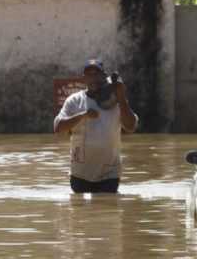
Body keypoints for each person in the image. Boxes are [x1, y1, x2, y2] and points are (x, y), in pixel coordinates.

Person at [53, 59, 138, 193]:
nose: (93, 78)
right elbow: (58, 128)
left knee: (107, 209)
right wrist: (83, 115)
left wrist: (121, 97)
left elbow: (131, 127)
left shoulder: (116, 101)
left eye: (96, 74)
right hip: (80, 172)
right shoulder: (74, 101)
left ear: (104, 76)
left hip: (109, 172)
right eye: (89, 75)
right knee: (79, 212)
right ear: (83, 79)